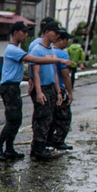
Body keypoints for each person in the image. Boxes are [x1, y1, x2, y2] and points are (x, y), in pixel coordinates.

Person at [0, 21, 68, 161]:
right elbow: (32, 59)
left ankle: (9, 149)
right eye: (24, 32)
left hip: (13, 85)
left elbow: (15, 72)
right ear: (16, 33)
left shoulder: (15, 49)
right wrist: (59, 60)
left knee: (16, 120)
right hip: (9, 88)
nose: (26, 35)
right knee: (13, 120)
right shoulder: (13, 49)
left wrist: (28, 78)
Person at [28, 22, 64, 160]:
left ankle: (40, 148)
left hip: (50, 88)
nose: (57, 36)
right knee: (42, 119)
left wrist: (58, 91)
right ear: (47, 31)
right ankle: (37, 149)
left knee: (48, 119)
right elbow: (35, 73)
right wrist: (38, 92)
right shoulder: (37, 50)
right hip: (41, 88)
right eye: (55, 33)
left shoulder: (52, 51)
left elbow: (54, 72)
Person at [47, 31, 75, 151]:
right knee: (64, 117)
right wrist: (70, 92)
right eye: (66, 40)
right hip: (59, 89)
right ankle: (58, 140)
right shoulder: (62, 55)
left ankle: (47, 139)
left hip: (48, 88)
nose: (67, 43)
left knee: (50, 116)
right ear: (60, 40)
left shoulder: (48, 52)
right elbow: (65, 75)